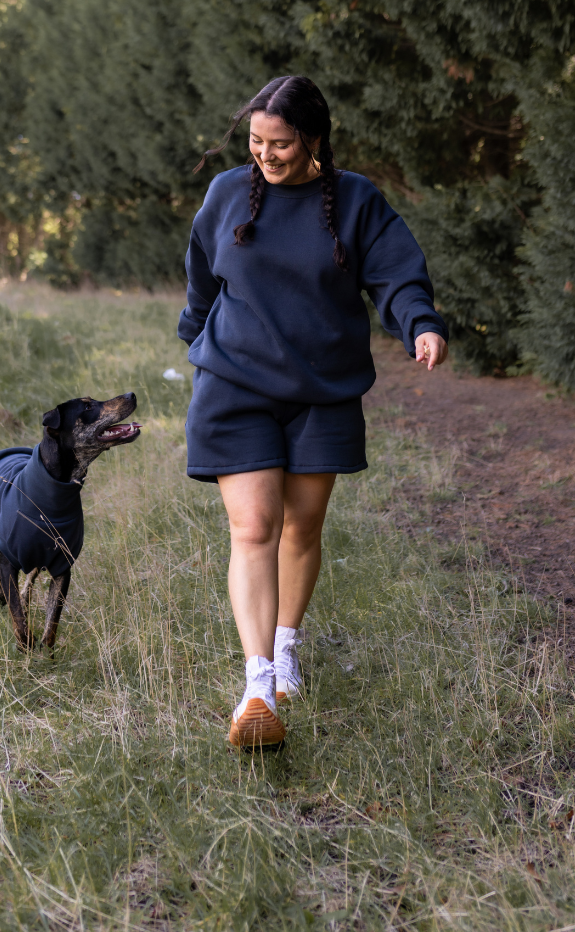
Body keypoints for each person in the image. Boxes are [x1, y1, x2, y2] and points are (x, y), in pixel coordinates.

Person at [178, 76, 448, 748]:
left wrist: (419, 323)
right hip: (235, 388)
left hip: (321, 389)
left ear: (314, 140)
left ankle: (287, 641)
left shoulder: (354, 201)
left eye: (281, 144)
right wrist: (202, 345)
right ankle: (259, 682)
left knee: (300, 529)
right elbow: (201, 283)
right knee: (254, 526)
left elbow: (396, 271)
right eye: (255, 142)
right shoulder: (225, 195)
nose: (266, 156)